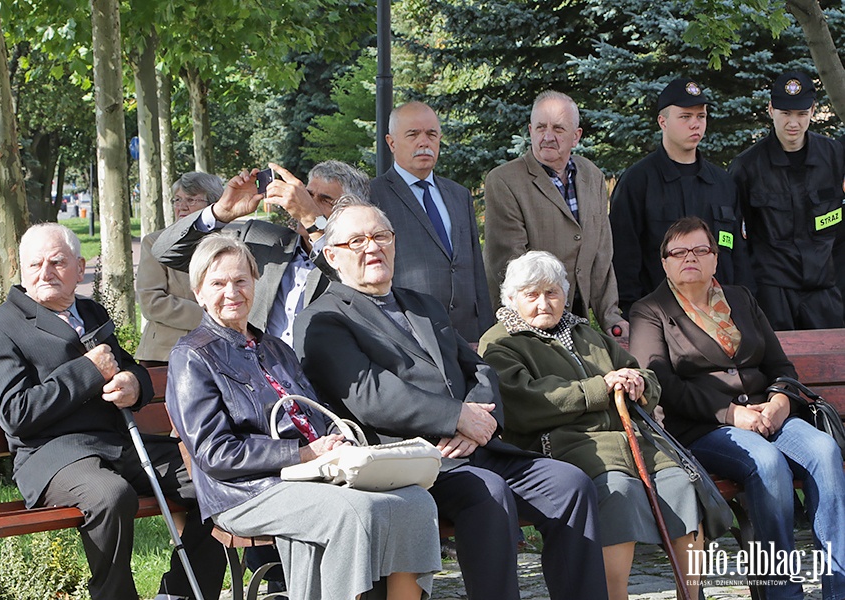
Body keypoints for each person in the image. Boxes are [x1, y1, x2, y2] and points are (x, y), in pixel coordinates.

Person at [294, 197, 608, 600]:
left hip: (474, 447)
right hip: (407, 462)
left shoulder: (421, 303)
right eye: (358, 241)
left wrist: (477, 423)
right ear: (333, 255)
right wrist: (454, 417)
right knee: (488, 493)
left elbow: (478, 368)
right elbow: (369, 394)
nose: (373, 247)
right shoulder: (324, 318)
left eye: (381, 236)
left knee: (571, 484)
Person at [165, 233, 441, 600]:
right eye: (218, 283)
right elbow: (215, 454)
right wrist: (303, 454)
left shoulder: (276, 347)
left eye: (241, 280)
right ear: (199, 292)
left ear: (255, 284)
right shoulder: (192, 356)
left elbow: (312, 413)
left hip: (313, 474)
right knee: (352, 512)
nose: (232, 292)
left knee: (416, 501)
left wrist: (334, 443)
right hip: (245, 491)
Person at [0, 223, 226, 600]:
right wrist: (89, 371)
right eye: (35, 264)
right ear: (21, 270)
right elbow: (15, 412)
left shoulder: (90, 312)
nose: (45, 273)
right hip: (53, 457)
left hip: (119, 444)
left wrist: (134, 385)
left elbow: (127, 368)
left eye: (57, 262)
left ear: (79, 266)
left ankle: (180, 594)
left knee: (216, 475)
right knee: (112, 495)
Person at [629, 216, 845, 598]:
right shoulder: (650, 312)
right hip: (703, 428)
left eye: (700, 250)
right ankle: (781, 592)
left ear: (715, 258)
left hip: (768, 415)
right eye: (678, 252)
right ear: (664, 263)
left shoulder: (741, 298)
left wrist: (779, 400)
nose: (689, 258)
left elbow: (780, 366)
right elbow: (663, 384)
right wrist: (732, 413)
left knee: (824, 451)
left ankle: (838, 586)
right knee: (766, 462)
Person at [478, 250, 702, 600]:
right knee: (619, 491)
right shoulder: (501, 342)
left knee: (680, 484)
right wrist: (602, 388)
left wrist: (639, 383)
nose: (544, 303)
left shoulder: (584, 333)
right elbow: (526, 400)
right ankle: (616, 596)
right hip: (565, 444)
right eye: (532, 294)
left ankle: (692, 594)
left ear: (565, 296)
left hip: (631, 439)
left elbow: (638, 372)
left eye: (552, 293)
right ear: (511, 299)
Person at [153, 159, 369, 346]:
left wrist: (314, 223)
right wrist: (220, 212)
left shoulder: (361, 259)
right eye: (308, 195)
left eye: (325, 200)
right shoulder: (259, 237)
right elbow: (167, 252)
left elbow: (359, 292)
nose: (310, 203)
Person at [484, 90, 625, 335]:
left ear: (576, 136)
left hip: (578, 324)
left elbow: (602, 256)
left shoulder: (592, 176)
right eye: (540, 128)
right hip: (532, 325)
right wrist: (527, 330)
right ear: (530, 130)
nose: (548, 137)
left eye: (558, 129)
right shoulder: (504, 181)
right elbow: (508, 266)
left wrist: (611, 317)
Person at [610, 78, 751, 317]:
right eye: (685, 117)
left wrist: (744, 308)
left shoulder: (723, 183)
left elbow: (738, 254)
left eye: (701, 116)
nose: (695, 124)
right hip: (660, 317)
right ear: (662, 121)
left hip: (721, 316)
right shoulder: (637, 182)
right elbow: (623, 259)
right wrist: (633, 315)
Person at [728, 70, 845, 330]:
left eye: (802, 114)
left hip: (825, 291)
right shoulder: (747, 167)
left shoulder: (835, 156)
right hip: (772, 293)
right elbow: (735, 238)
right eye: (785, 114)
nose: (793, 123)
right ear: (771, 110)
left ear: (813, 111)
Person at [370, 101, 494, 343]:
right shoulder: (373, 196)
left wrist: (487, 334)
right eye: (413, 134)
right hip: (413, 337)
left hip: (469, 336)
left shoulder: (459, 195)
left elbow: (475, 270)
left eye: (431, 134)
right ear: (391, 142)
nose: (424, 142)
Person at [135, 171, 224, 366]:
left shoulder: (229, 244)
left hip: (221, 352)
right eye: (177, 200)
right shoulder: (155, 243)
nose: (181, 207)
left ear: (213, 203)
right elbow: (151, 302)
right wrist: (211, 318)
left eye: (191, 200)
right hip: (165, 354)